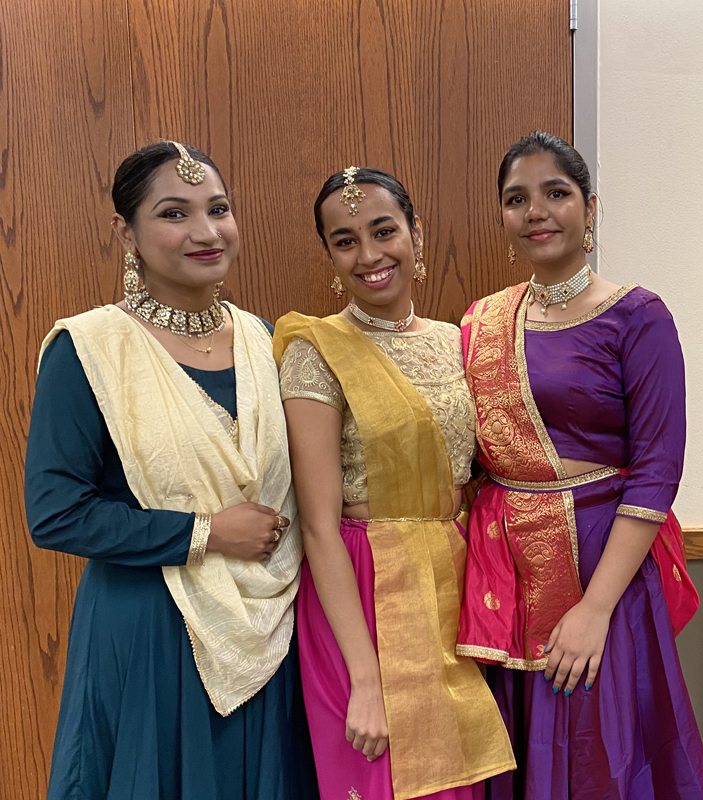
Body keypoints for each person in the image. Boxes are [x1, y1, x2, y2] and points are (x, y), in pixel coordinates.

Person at [24, 141, 316, 799]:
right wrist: (206, 532)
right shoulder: (90, 350)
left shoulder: (265, 341)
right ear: (125, 233)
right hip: (151, 629)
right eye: (174, 214)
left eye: (218, 209)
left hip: (269, 630)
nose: (206, 232)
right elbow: (56, 511)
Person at [457, 132, 703, 799]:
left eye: (555, 193)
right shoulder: (483, 322)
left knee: (605, 746)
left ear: (589, 207)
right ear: (503, 218)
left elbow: (658, 471)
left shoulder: (636, 317)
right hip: (509, 572)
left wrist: (595, 607)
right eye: (517, 199)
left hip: (605, 568)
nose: (536, 211)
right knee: (517, 744)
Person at [275, 166, 514, 800]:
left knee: (458, 779)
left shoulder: (457, 342)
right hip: (361, 586)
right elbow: (319, 523)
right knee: (380, 776)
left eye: (384, 230)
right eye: (345, 240)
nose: (370, 254)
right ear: (329, 256)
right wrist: (366, 679)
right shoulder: (317, 350)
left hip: (454, 585)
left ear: (417, 234)